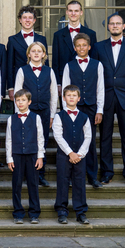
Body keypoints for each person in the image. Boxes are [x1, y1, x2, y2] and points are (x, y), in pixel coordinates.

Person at [96, 13, 125, 186]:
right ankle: (106, 172)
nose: (115, 26)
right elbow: (96, 75)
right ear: (108, 26)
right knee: (105, 137)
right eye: (112, 23)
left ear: (124, 26)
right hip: (106, 97)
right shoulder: (99, 47)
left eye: (118, 23)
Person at [61, 33, 105, 189]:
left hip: (91, 107)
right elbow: (65, 89)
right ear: (74, 48)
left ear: (89, 47)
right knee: (74, 140)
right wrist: (65, 110)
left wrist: (100, 110)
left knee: (90, 141)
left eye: (84, 45)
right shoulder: (69, 66)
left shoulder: (97, 65)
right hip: (74, 108)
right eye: (78, 45)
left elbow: (100, 89)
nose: (81, 48)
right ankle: (74, 176)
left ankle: (92, 176)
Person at [13, 42, 57, 187]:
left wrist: (52, 114)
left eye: (39, 51)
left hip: (44, 111)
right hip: (27, 113)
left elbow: (54, 94)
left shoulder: (49, 71)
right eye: (33, 51)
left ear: (44, 54)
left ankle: (40, 174)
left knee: (41, 141)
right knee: (27, 141)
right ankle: (27, 173)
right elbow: (18, 93)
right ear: (29, 54)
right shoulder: (22, 71)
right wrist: (18, 114)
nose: (36, 53)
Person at [53, 85, 91, 225]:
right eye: (68, 95)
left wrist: (79, 154)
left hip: (80, 156)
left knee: (79, 182)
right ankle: (62, 211)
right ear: (63, 98)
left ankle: (80, 211)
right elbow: (58, 136)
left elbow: (88, 137)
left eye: (74, 95)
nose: (71, 98)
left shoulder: (84, 117)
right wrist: (70, 152)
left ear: (79, 98)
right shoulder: (59, 116)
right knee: (62, 181)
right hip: (64, 155)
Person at [6, 89, 44, 224]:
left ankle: (34, 213)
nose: (20, 103)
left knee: (33, 184)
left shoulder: (36, 118)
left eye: (23, 100)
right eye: (18, 100)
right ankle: (18, 213)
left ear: (29, 102)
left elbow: (40, 138)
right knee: (16, 184)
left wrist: (40, 156)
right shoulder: (11, 119)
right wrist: (9, 158)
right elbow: (8, 139)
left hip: (32, 155)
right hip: (16, 155)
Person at [52, 1, 97, 88]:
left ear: (81, 13)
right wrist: (57, 83)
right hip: (64, 79)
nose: (73, 13)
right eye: (70, 11)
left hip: (86, 80)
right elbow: (55, 62)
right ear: (67, 12)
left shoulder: (91, 34)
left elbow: (93, 59)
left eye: (76, 11)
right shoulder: (58, 35)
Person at [7, 5, 48, 97]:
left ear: (34, 20)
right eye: (24, 18)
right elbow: (9, 65)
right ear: (20, 20)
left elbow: (45, 62)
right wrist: (10, 87)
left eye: (30, 18)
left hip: (39, 82)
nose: (27, 20)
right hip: (20, 82)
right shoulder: (12, 40)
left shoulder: (42, 39)